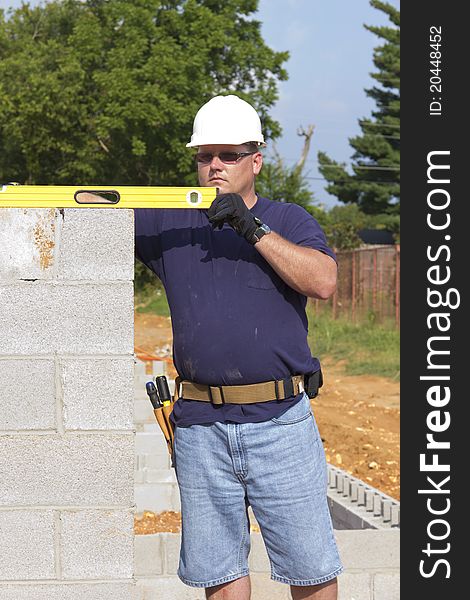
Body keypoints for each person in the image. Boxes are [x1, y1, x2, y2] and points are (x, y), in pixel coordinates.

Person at [134, 95, 343, 600]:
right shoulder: (172, 222)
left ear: (256, 160)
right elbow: (91, 215)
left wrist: (251, 229)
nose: (215, 167)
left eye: (228, 156)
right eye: (205, 156)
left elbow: (324, 281)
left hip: (281, 424)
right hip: (201, 427)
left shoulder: (288, 219)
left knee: (311, 572)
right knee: (221, 577)